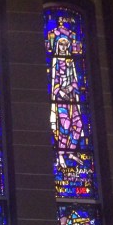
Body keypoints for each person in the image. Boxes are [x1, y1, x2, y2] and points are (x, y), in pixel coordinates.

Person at [50, 35, 84, 168]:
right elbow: (54, 81)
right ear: (57, 46)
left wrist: (70, 88)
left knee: (79, 124)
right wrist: (60, 92)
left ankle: (70, 152)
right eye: (61, 45)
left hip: (71, 98)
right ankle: (60, 154)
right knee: (65, 126)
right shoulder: (56, 61)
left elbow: (75, 80)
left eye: (65, 45)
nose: (63, 47)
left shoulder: (70, 61)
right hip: (60, 99)